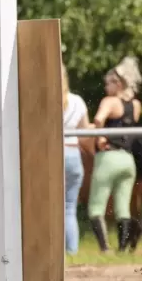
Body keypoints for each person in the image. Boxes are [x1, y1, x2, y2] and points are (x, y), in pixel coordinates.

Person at [87, 56, 142, 252]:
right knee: (122, 209)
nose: (105, 87)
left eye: (108, 83)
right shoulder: (135, 105)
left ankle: (105, 249)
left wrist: (100, 137)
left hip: (108, 157)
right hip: (128, 161)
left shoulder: (109, 101)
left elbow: (99, 120)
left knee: (95, 207)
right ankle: (122, 249)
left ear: (118, 83)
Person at [61, 62, 92, 255]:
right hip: (74, 155)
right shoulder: (77, 101)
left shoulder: (46, 98)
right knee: (69, 208)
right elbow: (84, 133)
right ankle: (72, 252)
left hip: (55, 153)